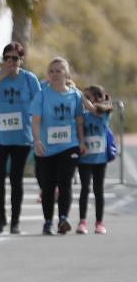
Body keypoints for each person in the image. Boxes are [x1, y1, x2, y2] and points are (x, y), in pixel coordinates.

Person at [0, 42, 41, 235]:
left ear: (21, 60)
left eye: (14, 58)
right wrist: (0, 76)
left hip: (21, 137)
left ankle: (15, 221)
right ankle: (0, 217)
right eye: (6, 58)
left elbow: (39, 104)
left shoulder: (29, 79)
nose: (10, 62)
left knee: (16, 180)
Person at [30, 57, 85, 236]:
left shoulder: (75, 95)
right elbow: (36, 121)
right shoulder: (42, 94)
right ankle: (47, 223)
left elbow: (79, 121)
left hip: (69, 146)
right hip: (46, 147)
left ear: (66, 73)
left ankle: (63, 219)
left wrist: (82, 141)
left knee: (65, 181)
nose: (54, 74)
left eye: (58, 71)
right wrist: (37, 140)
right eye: (51, 71)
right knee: (48, 185)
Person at [78, 85, 113, 235]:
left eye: (88, 97)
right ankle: (82, 221)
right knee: (84, 189)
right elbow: (79, 127)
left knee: (98, 190)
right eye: (84, 97)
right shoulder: (83, 116)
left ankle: (99, 222)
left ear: (98, 98)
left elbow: (95, 110)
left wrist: (81, 96)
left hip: (100, 159)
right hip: (85, 159)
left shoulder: (103, 114)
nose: (84, 100)